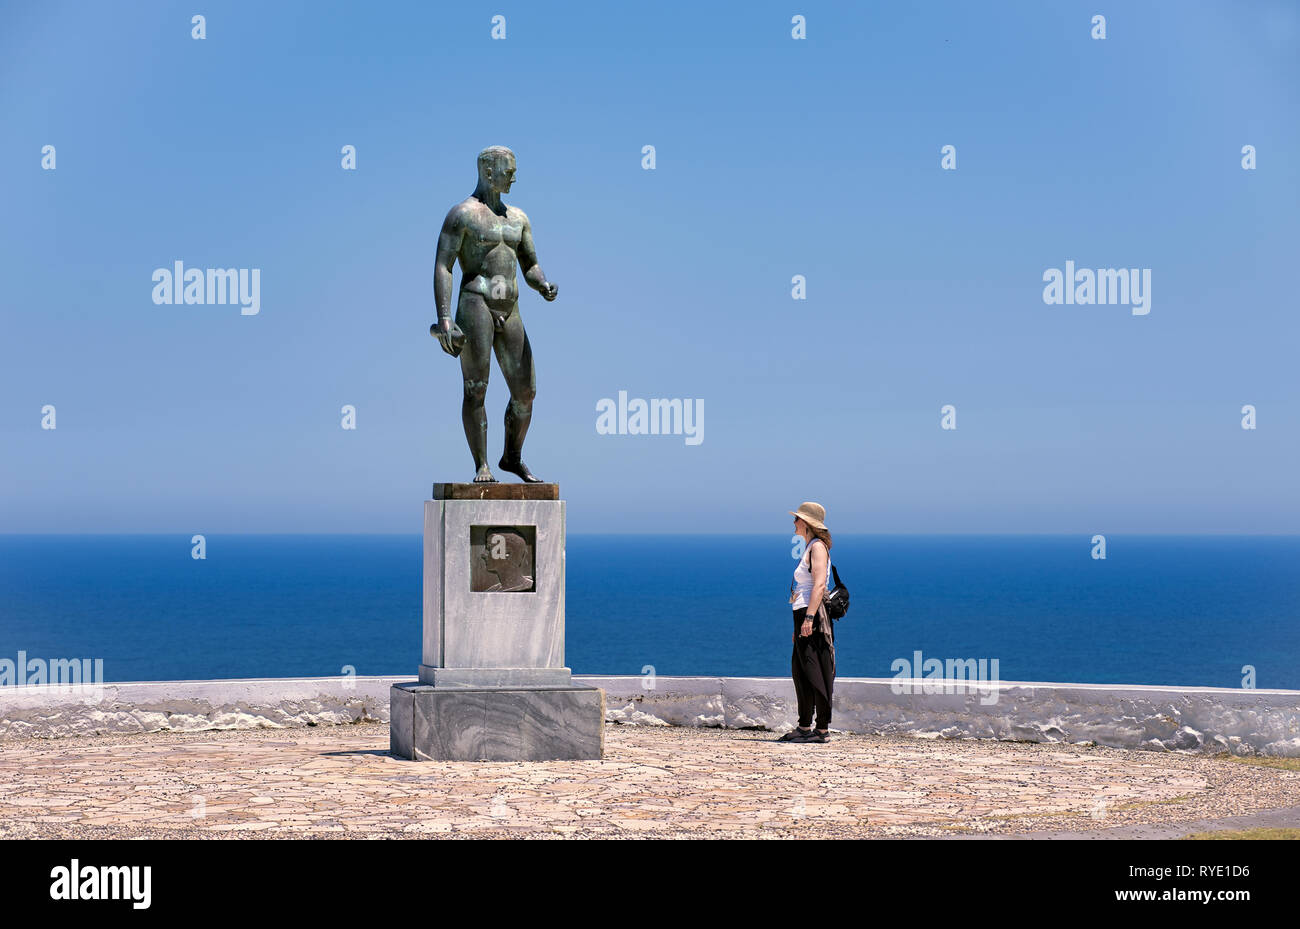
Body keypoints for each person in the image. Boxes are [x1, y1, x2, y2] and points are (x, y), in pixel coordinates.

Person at [432, 146, 559, 484]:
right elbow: (443, 266)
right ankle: (481, 465)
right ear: (488, 171)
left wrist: (543, 283)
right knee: (476, 388)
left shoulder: (519, 218)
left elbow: (530, 264)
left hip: (511, 306)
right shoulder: (462, 214)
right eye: (509, 170)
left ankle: (511, 457)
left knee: (526, 391)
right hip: (476, 302)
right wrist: (445, 318)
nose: (514, 177)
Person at [781, 502, 836, 744]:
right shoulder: (810, 547)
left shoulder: (817, 548)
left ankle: (821, 728)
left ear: (806, 523)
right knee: (800, 670)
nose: (793, 523)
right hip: (802, 613)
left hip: (810, 614)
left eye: (797, 519)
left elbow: (820, 585)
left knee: (815, 670)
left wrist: (809, 618)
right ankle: (805, 725)